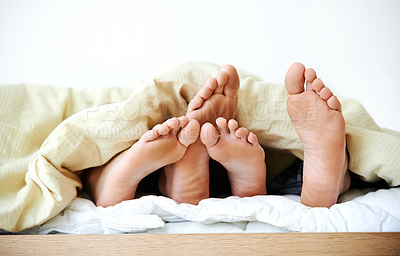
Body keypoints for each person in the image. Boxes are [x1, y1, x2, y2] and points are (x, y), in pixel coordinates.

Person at [83, 63, 350, 208]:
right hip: (278, 175)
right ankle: (261, 190)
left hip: (160, 172)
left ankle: (116, 177)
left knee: (92, 154)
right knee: (325, 170)